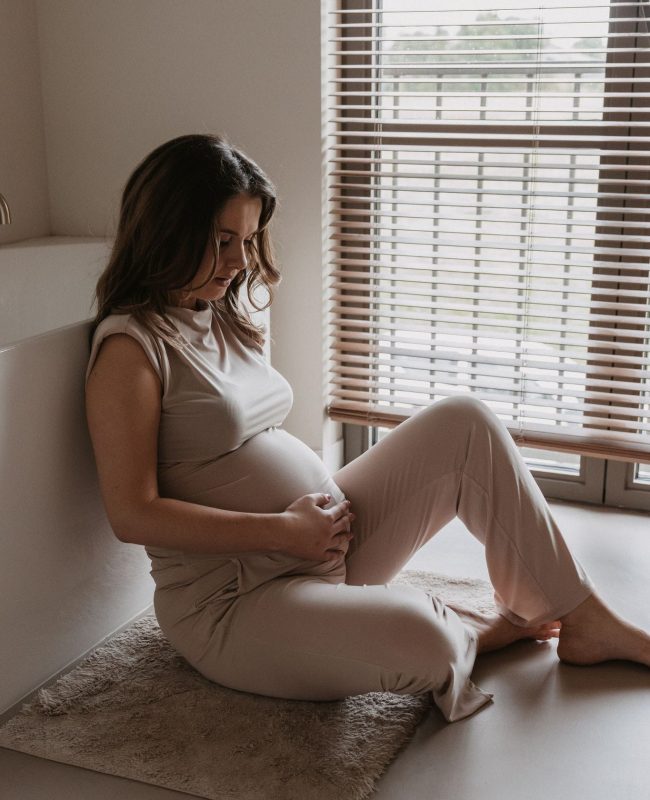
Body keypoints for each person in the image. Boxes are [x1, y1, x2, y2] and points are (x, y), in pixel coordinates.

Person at [85, 133, 650, 723]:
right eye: (223, 241)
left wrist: (306, 532)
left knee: (464, 422)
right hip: (238, 601)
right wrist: (283, 531)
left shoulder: (216, 310)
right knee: (427, 641)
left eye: (248, 240)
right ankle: (477, 633)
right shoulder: (131, 350)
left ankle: (584, 617)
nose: (241, 261)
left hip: (321, 547)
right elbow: (133, 514)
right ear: (168, 230)